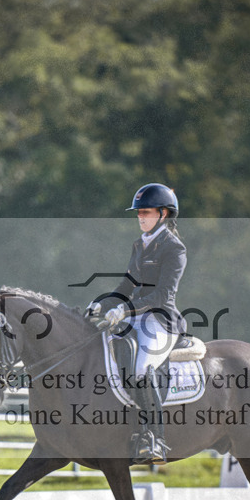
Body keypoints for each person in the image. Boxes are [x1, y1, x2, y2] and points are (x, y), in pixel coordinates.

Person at [87, 183, 187, 465]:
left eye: (146, 212)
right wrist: (102, 303)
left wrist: (125, 308)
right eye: (139, 213)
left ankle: (155, 438)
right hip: (134, 316)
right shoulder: (139, 244)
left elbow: (163, 294)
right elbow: (127, 284)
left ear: (163, 213)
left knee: (142, 367)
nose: (140, 217)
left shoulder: (174, 248)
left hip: (161, 319)